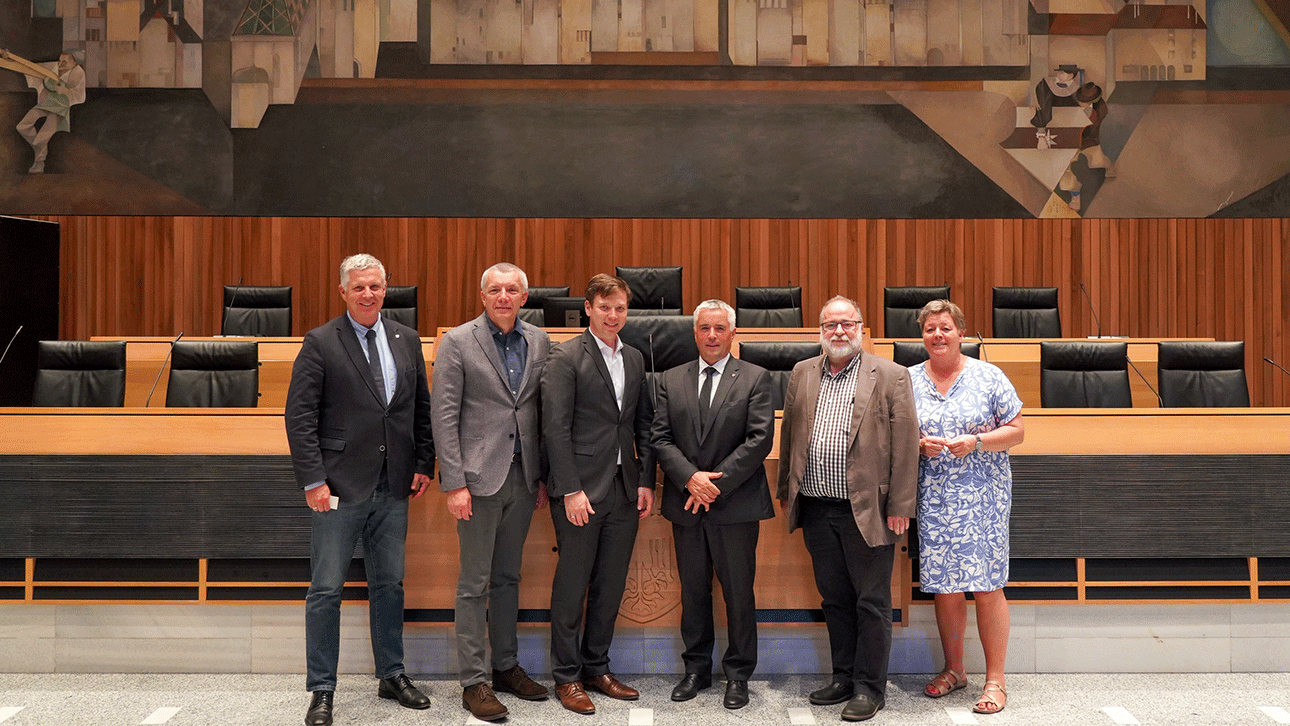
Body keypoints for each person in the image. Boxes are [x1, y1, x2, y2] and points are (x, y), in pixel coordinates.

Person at [284, 254, 435, 726]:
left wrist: (424, 462)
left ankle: (392, 674)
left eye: (376, 286)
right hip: (339, 488)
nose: (368, 294)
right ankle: (322, 689)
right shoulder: (321, 342)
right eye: (359, 287)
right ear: (343, 292)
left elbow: (419, 411)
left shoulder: (406, 340)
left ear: (386, 289)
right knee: (326, 589)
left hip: (395, 486)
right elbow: (299, 416)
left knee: (389, 584)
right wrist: (313, 479)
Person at [776, 296, 919, 723]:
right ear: (819, 330)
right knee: (834, 599)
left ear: (861, 326)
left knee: (871, 602)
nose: (838, 331)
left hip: (869, 509)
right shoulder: (803, 372)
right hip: (818, 508)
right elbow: (790, 436)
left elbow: (907, 445)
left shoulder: (890, 375)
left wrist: (900, 505)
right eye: (830, 325)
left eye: (846, 323)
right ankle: (842, 677)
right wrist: (788, 490)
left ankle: (869, 688)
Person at [431, 262, 552, 721]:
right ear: (482, 296)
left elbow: (540, 410)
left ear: (524, 297)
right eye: (495, 289)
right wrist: (455, 481)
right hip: (477, 482)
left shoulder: (539, 340)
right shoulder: (459, 341)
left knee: (508, 579)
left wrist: (541, 476)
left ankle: (506, 667)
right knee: (474, 584)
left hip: (523, 480)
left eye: (512, 290)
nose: (504, 296)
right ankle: (474, 681)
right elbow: (444, 416)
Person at [651, 299, 775, 710]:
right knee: (693, 591)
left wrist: (712, 485)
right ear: (695, 332)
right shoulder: (670, 379)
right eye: (704, 328)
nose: (712, 336)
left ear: (733, 333)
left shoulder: (756, 377)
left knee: (739, 593)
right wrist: (690, 479)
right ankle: (696, 670)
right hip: (686, 504)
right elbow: (661, 438)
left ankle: (738, 675)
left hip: (734, 504)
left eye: (720, 328)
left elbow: (759, 440)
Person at [541, 273, 655, 716]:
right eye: (605, 307)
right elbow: (554, 427)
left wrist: (645, 480)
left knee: (610, 586)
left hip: (625, 489)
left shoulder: (634, 357)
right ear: (588, 308)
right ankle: (566, 677)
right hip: (580, 491)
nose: (613, 315)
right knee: (572, 586)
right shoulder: (566, 356)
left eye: (620, 308)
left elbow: (641, 423)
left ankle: (596, 667)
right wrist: (570, 488)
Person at [909, 300, 1024, 716]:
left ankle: (996, 679)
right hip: (934, 498)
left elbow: (1017, 431)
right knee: (944, 585)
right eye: (929, 329)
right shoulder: (907, 380)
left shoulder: (988, 375)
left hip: (983, 499)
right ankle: (954, 669)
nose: (937, 335)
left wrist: (976, 442)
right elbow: (897, 434)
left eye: (945, 328)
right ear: (921, 336)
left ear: (961, 332)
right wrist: (918, 444)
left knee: (987, 584)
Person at [1, 49, 86, 173]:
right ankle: (42, 149)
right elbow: (31, 67)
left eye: (64, 62)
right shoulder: (53, 67)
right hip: (48, 102)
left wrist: (65, 91)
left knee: (41, 138)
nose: (60, 64)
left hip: (60, 109)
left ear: (74, 63)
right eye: (59, 61)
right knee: (22, 126)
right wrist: (10, 58)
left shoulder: (79, 74)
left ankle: (39, 164)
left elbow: (80, 96)